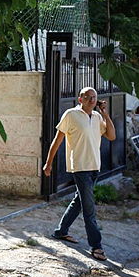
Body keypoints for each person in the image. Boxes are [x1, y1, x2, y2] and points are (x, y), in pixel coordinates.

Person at [42, 87, 116, 261]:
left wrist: (105, 114)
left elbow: (111, 136)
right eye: (88, 97)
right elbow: (57, 140)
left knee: (79, 201)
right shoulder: (71, 114)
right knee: (89, 210)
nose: (91, 100)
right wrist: (48, 162)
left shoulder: (97, 117)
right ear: (80, 99)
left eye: (94, 97)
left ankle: (61, 231)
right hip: (80, 167)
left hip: (94, 167)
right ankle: (96, 246)